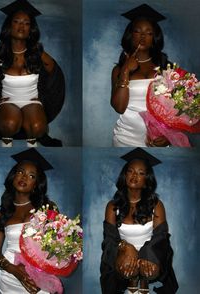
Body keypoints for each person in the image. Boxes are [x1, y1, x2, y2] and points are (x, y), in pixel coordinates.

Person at [0, 0, 65, 147]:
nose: (21, 26)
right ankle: (6, 145)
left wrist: (42, 98)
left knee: (38, 128)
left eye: (26, 23)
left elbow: (56, 77)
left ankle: (32, 145)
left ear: (31, 29)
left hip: (32, 102)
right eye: (17, 21)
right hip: (7, 103)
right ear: (9, 26)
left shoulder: (39, 55)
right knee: (10, 124)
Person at [100, 148, 178, 294]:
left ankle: (143, 282)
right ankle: (132, 282)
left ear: (146, 180)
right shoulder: (112, 206)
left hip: (151, 252)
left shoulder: (156, 204)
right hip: (124, 252)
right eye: (130, 171)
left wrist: (145, 254)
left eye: (141, 173)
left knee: (150, 267)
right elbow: (109, 239)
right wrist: (125, 247)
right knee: (127, 263)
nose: (134, 176)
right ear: (125, 174)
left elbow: (160, 236)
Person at [0, 148, 56, 293]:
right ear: (13, 176)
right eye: (20, 172)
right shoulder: (1, 214)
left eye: (31, 176)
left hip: (40, 275)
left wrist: (40, 266)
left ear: (36, 185)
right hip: (10, 276)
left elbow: (57, 244)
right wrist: (14, 271)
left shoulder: (47, 208)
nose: (24, 177)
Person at [111, 4, 171, 147]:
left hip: (159, 138)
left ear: (154, 38)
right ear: (131, 36)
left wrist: (169, 135)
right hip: (125, 137)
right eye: (137, 31)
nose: (143, 36)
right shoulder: (118, 69)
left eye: (149, 33)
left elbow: (174, 109)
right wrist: (125, 70)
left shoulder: (166, 68)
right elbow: (119, 107)